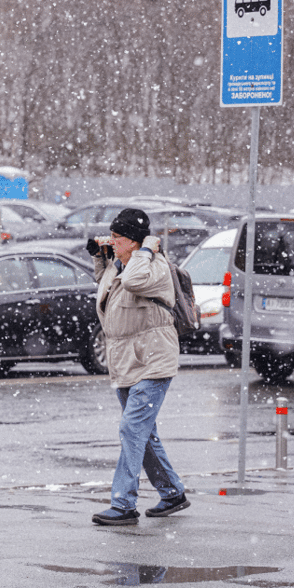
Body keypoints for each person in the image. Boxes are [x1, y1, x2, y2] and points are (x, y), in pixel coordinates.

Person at [86, 207, 189, 526]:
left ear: (133, 240)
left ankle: (123, 503)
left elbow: (132, 282)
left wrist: (146, 249)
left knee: (132, 428)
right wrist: (101, 257)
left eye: (117, 238)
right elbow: (106, 290)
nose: (112, 242)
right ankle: (172, 493)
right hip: (125, 361)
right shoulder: (121, 263)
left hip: (153, 359)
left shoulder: (152, 266)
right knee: (143, 432)